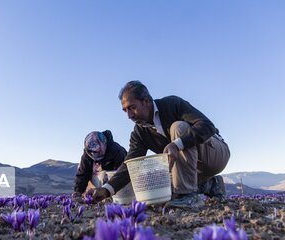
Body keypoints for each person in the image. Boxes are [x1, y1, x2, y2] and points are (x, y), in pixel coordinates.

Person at [88, 81, 230, 208]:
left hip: (215, 153)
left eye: (132, 108)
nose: (129, 115)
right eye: (125, 110)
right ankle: (211, 185)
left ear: (146, 101)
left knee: (178, 127)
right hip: (193, 169)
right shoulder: (140, 132)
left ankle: (188, 197)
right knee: (159, 186)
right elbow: (130, 164)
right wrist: (107, 189)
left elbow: (207, 126)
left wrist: (177, 144)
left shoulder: (172, 104)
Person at [72, 130, 127, 198]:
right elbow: (83, 174)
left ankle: (110, 197)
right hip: (97, 181)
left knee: (105, 174)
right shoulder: (87, 154)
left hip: (115, 180)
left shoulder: (117, 150)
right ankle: (94, 195)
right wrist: (78, 191)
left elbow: (122, 173)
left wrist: (108, 190)